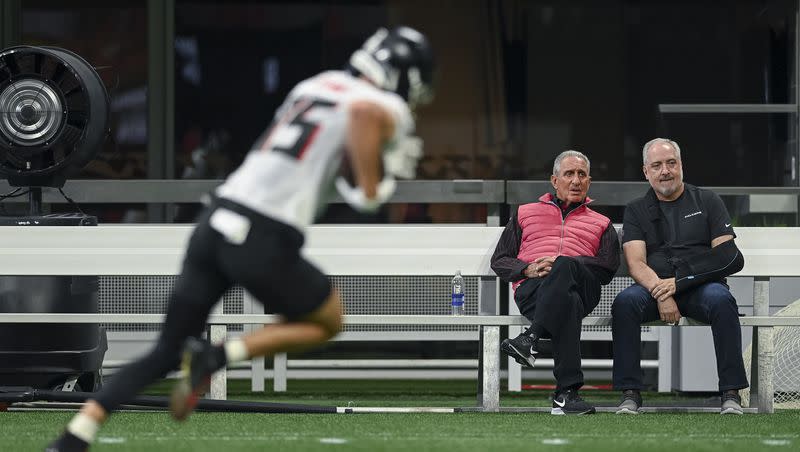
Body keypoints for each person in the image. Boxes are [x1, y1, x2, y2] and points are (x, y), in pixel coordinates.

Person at [46, 26, 435, 451]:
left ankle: (73, 437)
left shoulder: (315, 85)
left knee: (165, 352)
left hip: (215, 220)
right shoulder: (380, 105)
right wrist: (381, 183)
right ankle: (217, 356)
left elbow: (318, 149)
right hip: (261, 233)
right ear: (406, 74)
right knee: (329, 318)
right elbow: (364, 166)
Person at [611, 138, 748, 415]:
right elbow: (636, 264)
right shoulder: (637, 209)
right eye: (657, 165)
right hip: (654, 288)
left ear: (681, 166)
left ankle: (731, 393)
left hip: (703, 287)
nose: (665, 171)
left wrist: (679, 283)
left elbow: (729, 256)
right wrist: (663, 292)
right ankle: (630, 394)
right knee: (624, 303)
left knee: (723, 301)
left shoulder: (707, 200)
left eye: (671, 163)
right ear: (646, 171)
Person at [491, 150, 620, 415]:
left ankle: (530, 338)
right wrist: (527, 269)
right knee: (567, 302)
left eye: (582, 175)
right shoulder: (524, 213)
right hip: (533, 292)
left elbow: (607, 268)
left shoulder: (602, 222)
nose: (576, 180)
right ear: (554, 180)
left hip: (585, 288)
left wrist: (568, 263)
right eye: (569, 174)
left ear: (589, 181)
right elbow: (500, 260)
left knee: (566, 265)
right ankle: (566, 395)